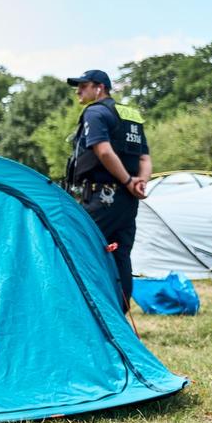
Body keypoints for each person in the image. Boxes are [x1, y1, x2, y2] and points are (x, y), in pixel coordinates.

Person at [64, 69, 151, 312]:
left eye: (83, 86)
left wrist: (128, 181)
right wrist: (139, 183)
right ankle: (119, 315)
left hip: (103, 196)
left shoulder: (95, 112)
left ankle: (85, 312)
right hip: (127, 200)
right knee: (120, 254)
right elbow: (144, 158)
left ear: (99, 88)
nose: (78, 91)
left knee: (79, 246)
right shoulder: (131, 116)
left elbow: (103, 151)